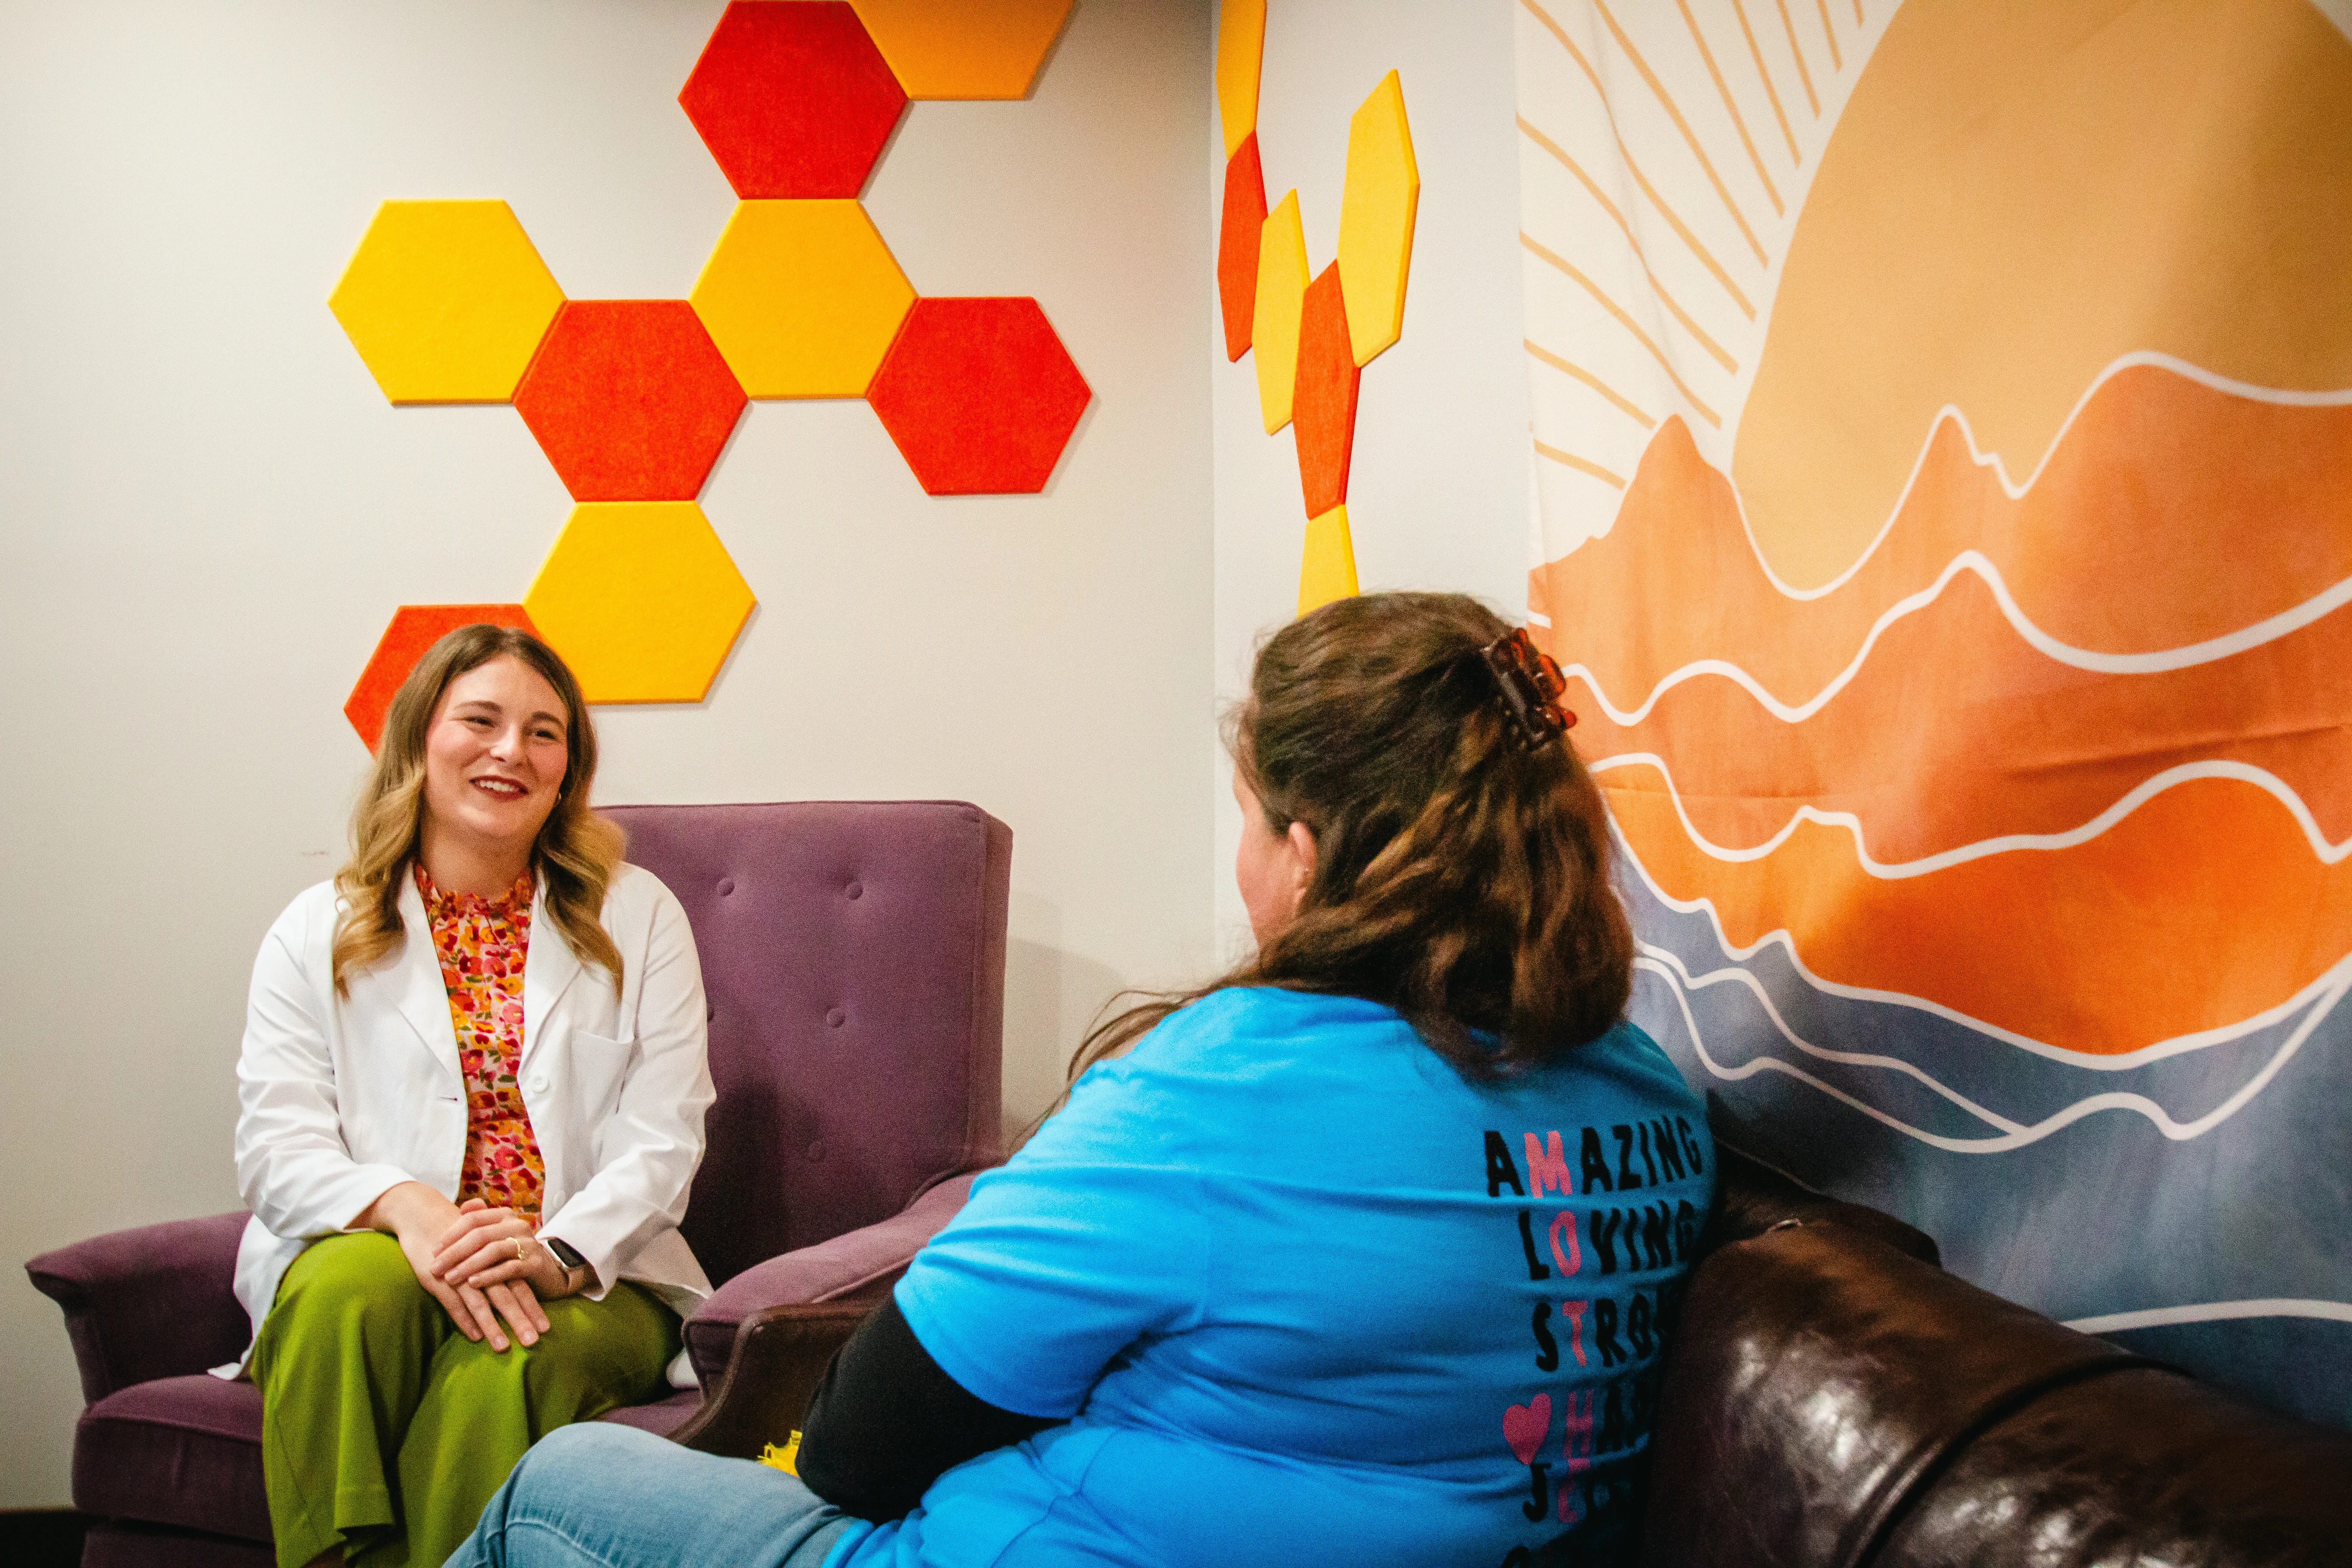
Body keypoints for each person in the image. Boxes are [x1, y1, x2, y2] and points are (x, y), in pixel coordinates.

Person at [448, 591, 1711, 1568]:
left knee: (557, 1486)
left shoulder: (1218, 1093)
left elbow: (855, 1448)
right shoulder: (1653, 1100)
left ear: (1308, 855)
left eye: (1250, 818)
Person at [232, 624, 716, 1568]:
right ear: (420, 739)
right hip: (382, 1246)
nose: (511, 751)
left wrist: (558, 1251)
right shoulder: (314, 929)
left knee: (510, 1358)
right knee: (339, 1290)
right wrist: (407, 1209)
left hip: (591, 1265)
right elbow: (276, 1149)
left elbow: (665, 1136)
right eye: (481, 720)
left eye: (544, 732)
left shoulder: (639, 912)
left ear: (567, 768)